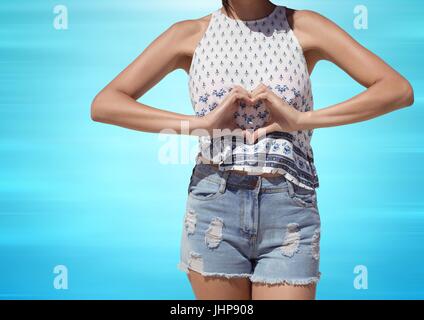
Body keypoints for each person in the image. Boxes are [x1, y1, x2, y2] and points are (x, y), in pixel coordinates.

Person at [90, 0, 414, 300]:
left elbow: (396, 89)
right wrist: (199, 124)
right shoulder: (188, 35)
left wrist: (301, 119)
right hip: (215, 204)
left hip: (289, 207)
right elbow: (105, 104)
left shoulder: (304, 26)